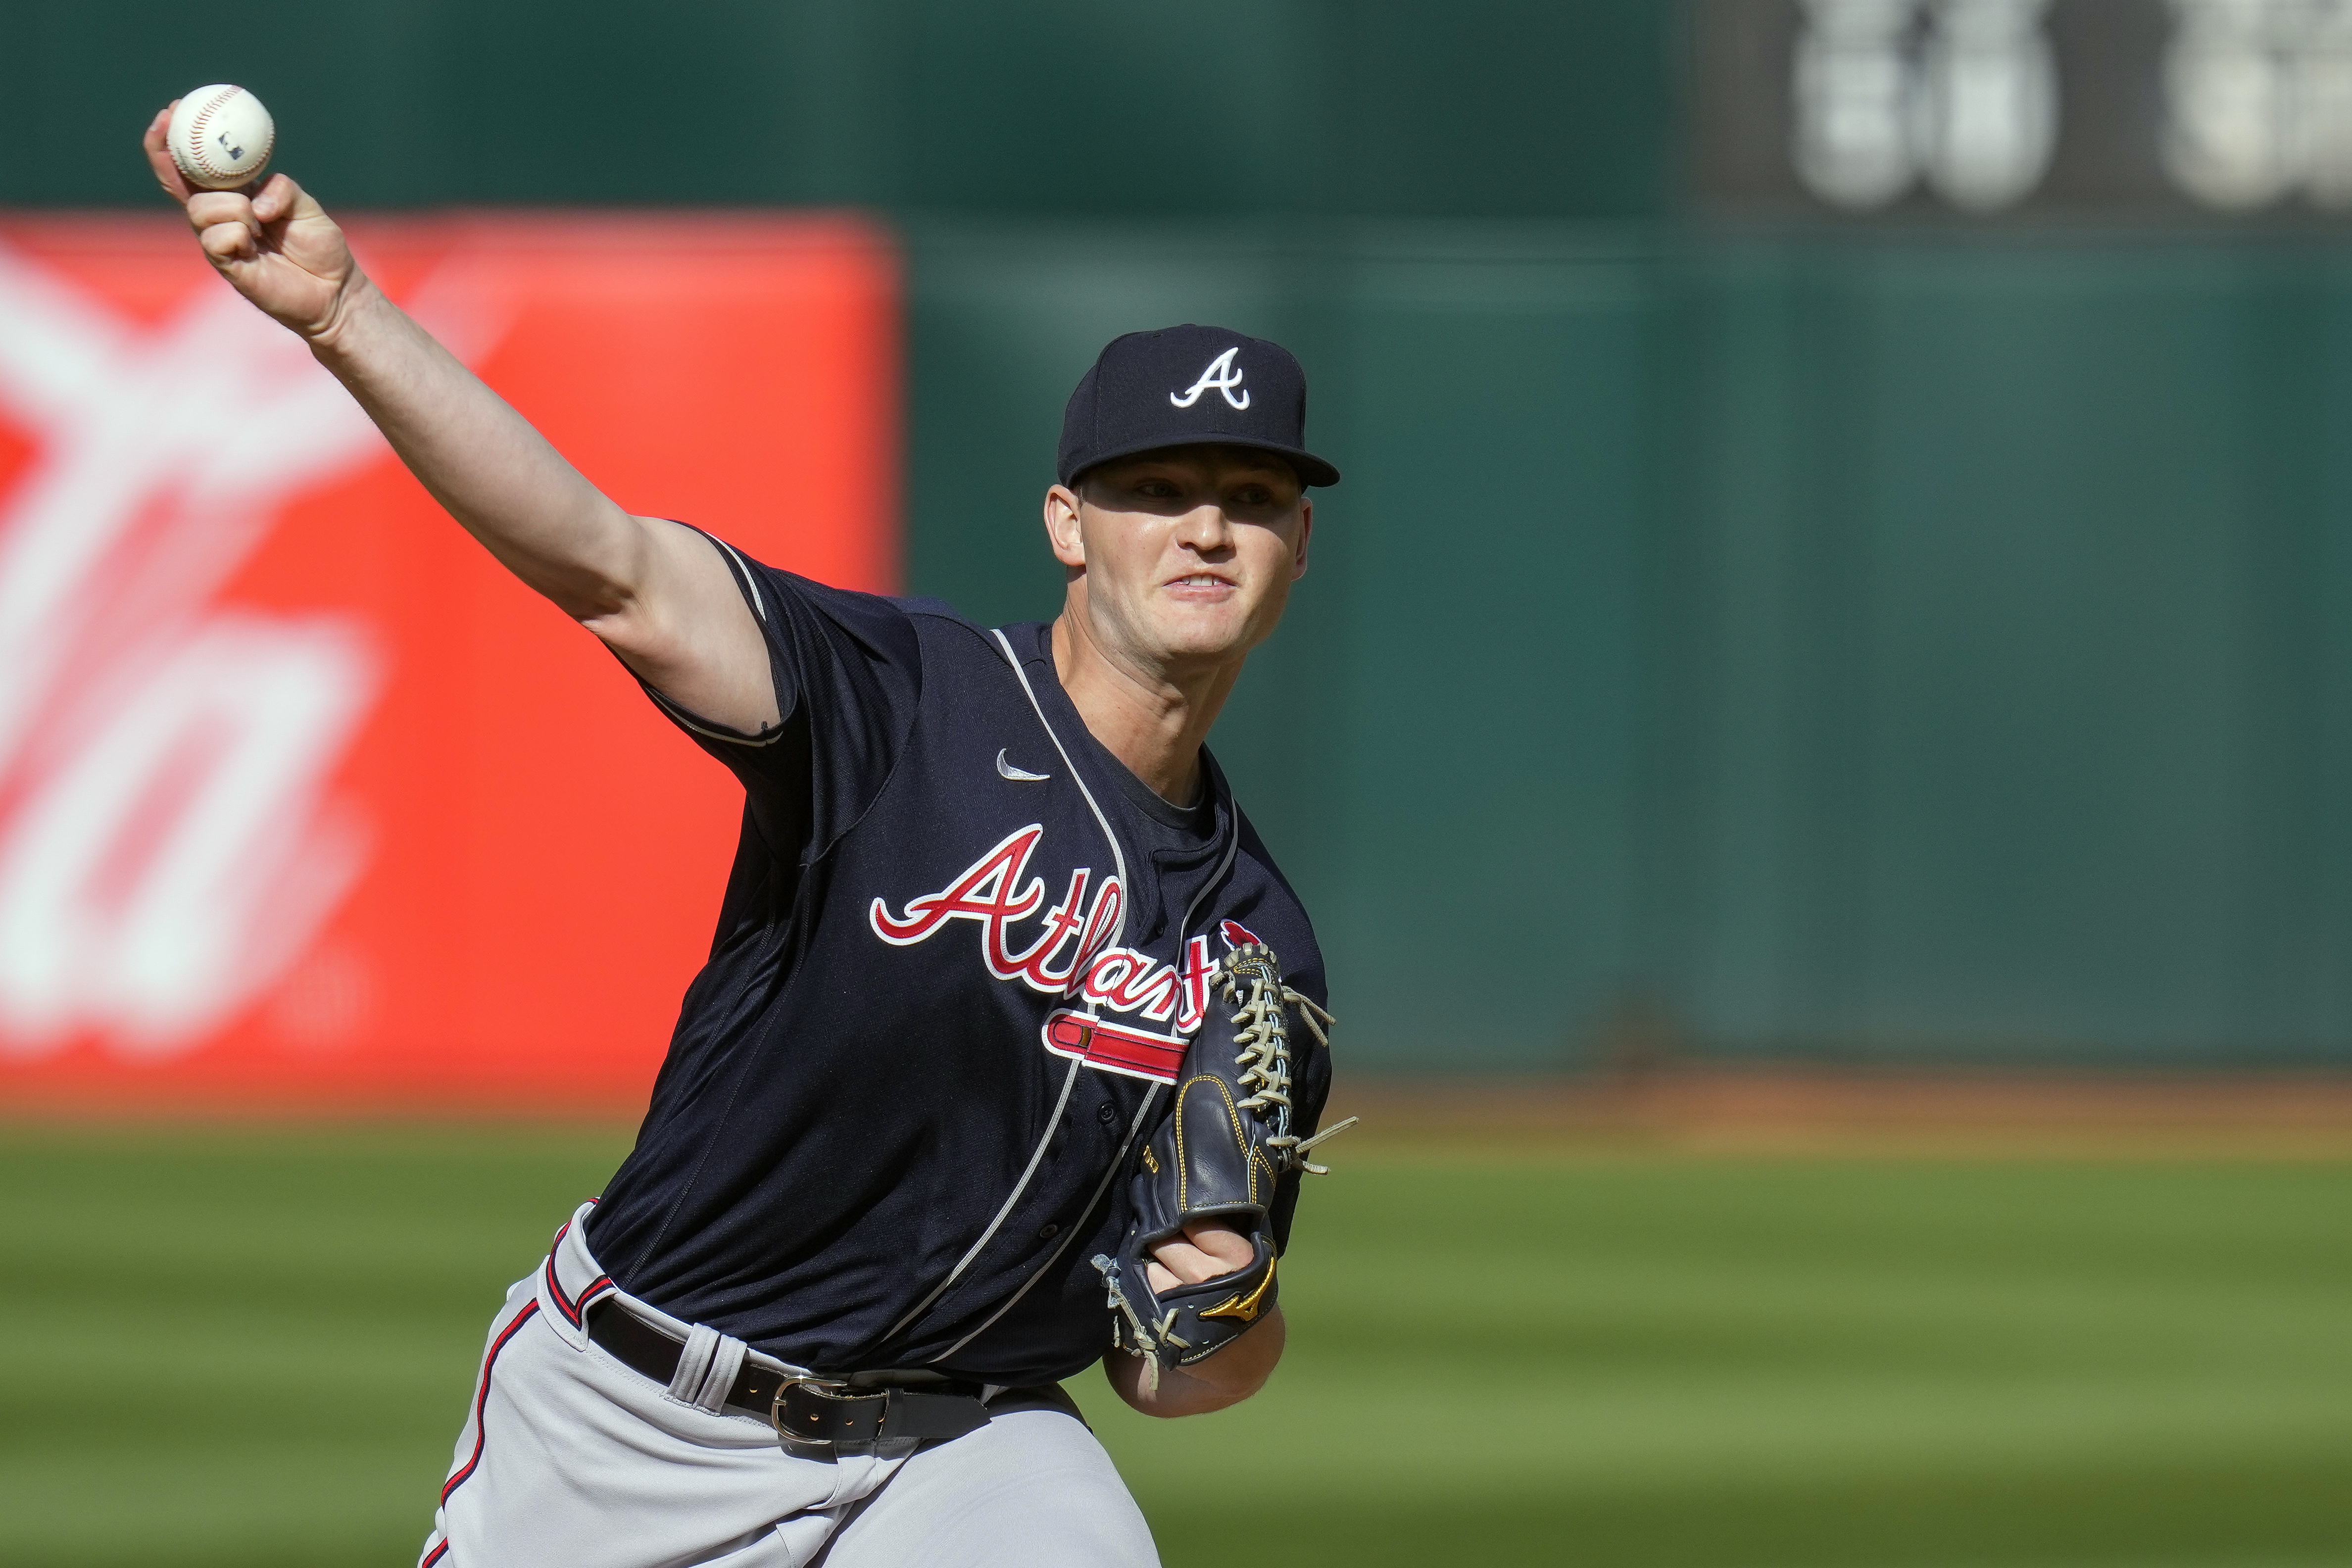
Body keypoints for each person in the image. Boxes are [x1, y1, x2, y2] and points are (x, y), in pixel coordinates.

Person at [144, 105, 1341, 1568]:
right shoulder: (902, 699)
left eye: (1251, 498)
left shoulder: (1254, 938)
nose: (1205, 528)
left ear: (1297, 545)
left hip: (961, 1446)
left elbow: (1177, 1378)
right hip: (636, 1415)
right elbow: (611, 567)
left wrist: (1231, 1305)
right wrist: (344, 314)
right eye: (1155, 491)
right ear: (1067, 525)